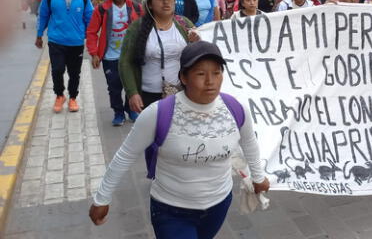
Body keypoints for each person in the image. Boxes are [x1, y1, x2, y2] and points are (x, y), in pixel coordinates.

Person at [90, 41, 270, 237]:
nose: (210, 81)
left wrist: (258, 177)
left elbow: (249, 143)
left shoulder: (236, 109)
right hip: (171, 211)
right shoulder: (157, 114)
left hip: (219, 205)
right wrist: (102, 198)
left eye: (217, 73)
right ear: (183, 77)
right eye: (200, 74)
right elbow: (125, 156)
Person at [119, 0, 198, 113]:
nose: (166, 2)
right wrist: (132, 93)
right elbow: (125, 62)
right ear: (150, 4)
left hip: (181, 93)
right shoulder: (137, 28)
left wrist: (196, 42)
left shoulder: (184, 24)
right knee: (155, 132)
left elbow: (200, 55)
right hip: (149, 95)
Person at [36, 0, 94, 113]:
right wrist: (39, 34)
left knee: (75, 72)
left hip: (76, 42)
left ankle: (73, 98)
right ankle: (60, 95)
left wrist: (90, 38)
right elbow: (43, 15)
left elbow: (90, 19)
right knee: (57, 70)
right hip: (56, 40)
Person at [86, 0, 143, 126]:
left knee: (132, 85)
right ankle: (118, 112)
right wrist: (94, 53)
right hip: (110, 56)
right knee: (114, 87)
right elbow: (91, 32)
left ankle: (130, 109)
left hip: (131, 56)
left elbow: (145, 28)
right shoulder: (102, 10)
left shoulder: (136, 8)